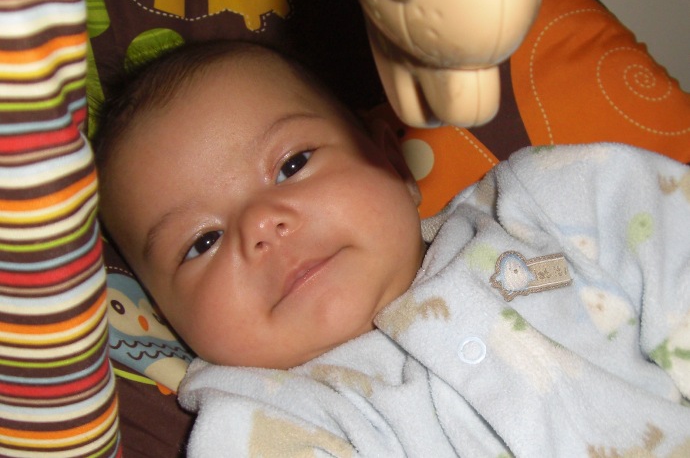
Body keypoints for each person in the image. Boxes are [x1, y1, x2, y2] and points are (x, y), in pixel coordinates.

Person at [94, 39, 690, 456]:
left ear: (393, 161)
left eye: (293, 164)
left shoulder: (544, 206)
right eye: (202, 241)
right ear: (165, 315)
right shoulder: (264, 422)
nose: (261, 225)